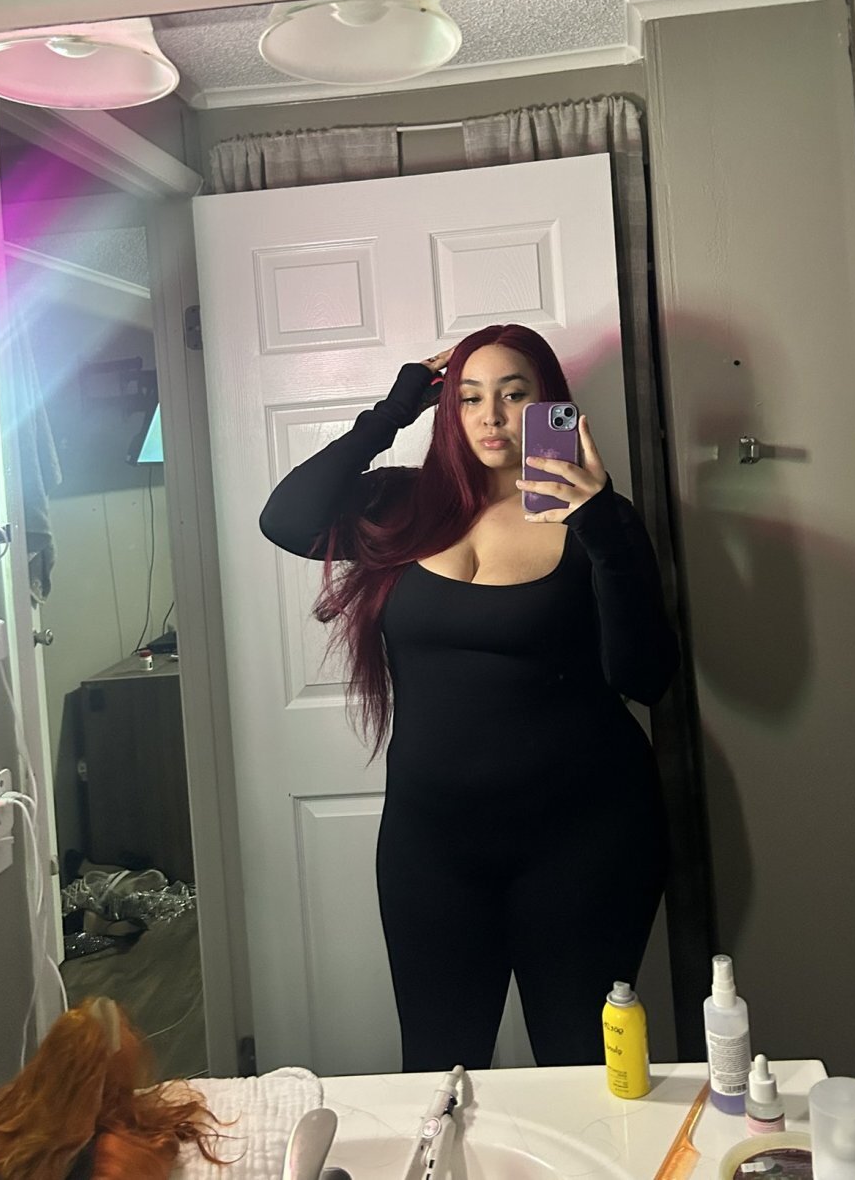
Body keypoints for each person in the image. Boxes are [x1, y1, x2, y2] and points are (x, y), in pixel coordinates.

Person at [259, 323, 679, 1071]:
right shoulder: (403, 503)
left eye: (513, 395)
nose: (490, 417)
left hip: (587, 839)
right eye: (469, 398)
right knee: (436, 1067)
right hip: (432, 846)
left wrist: (599, 527)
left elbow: (644, 677)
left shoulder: (600, 520)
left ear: (548, 405)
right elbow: (286, 519)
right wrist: (392, 412)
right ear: (447, 409)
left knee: (582, 1066)